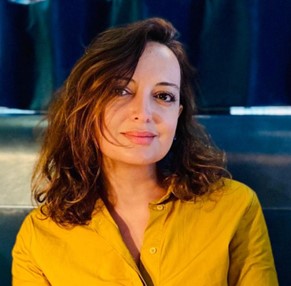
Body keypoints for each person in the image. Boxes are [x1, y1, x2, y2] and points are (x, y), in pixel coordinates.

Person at [12, 18, 278, 285]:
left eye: (163, 96)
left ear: (178, 115)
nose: (144, 113)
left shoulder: (235, 206)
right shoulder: (39, 235)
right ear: (85, 108)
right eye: (120, 90)